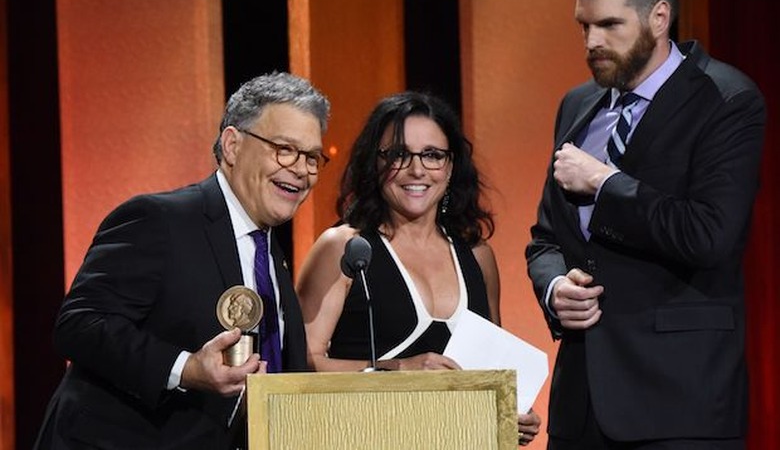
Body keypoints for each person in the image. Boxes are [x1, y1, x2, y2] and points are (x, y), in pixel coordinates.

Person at [526, 0, 765, 449]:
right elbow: (546, 238)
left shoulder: (725, 100)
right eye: (583, 26)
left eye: (609, 25)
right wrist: (554, 291)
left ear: (659, 17)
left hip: (679, 404)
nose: (591, 41)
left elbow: (708, 235)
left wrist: (605, 184)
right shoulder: (577, 106)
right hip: (581, 405)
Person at [35, 72, 330, 449]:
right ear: (233, 145)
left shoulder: (271, 254)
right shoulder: (159, 219)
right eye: (285, 149)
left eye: (311, 157)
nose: (302, 170)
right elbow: (80, 325)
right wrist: (186, 368)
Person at [296, 91, 541, 446]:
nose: (416, 170)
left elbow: (488, 371)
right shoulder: (343, 246)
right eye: (398, 155)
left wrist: (509, 411)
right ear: (375, 163)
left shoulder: (477, 255)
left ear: (451, 165)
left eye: (432, 155)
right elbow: (303, 361)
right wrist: (398, 370)